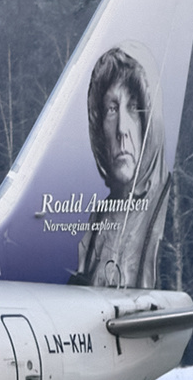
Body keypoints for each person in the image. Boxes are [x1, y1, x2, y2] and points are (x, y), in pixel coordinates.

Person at [70, 43, 169, 288]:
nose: (122, 129)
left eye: (134, 108)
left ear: (149, 120)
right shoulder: (97, 221)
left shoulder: (171, 212)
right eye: (112, 110)